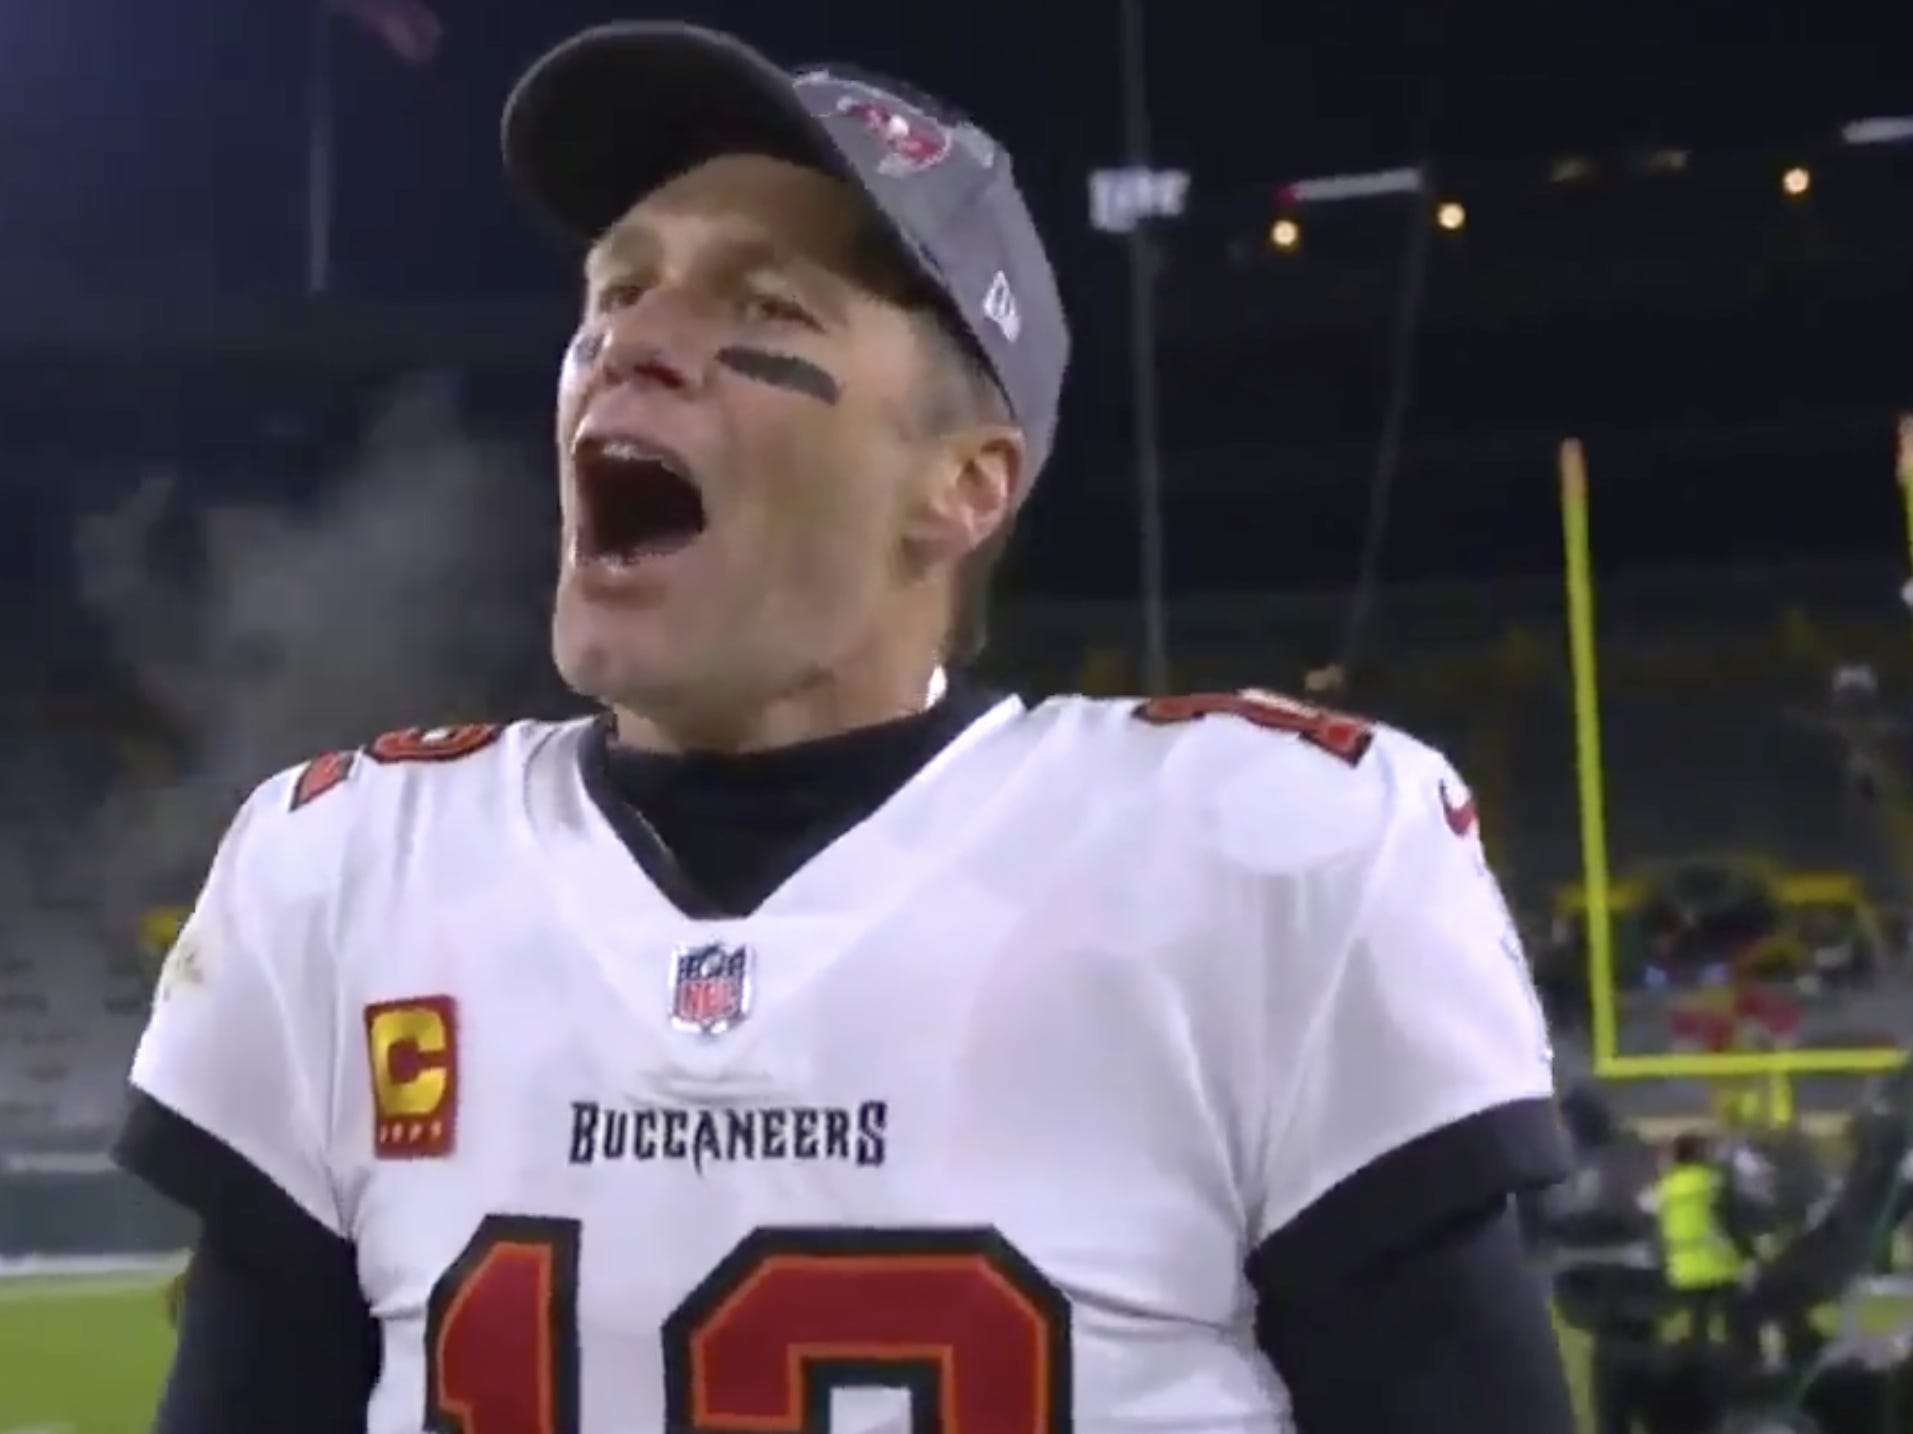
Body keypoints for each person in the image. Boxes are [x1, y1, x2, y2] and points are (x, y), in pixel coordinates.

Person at [113, 21, 1574, 1433]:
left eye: (761, 309)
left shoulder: (1258, 859)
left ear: (965, 483)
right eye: (615, 292)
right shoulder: (353, 871)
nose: (632, 344)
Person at [1653, 1132, 1757, 1358]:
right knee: (1737, 1323)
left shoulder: (1665, 1188)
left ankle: (1698, 1368)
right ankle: (1745, 1367)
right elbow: (1732, 1219)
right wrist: (1748, 1255)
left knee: (1698, 1323)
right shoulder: (1713, 1182)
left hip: (1684, 1267)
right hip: (1721, 1262)